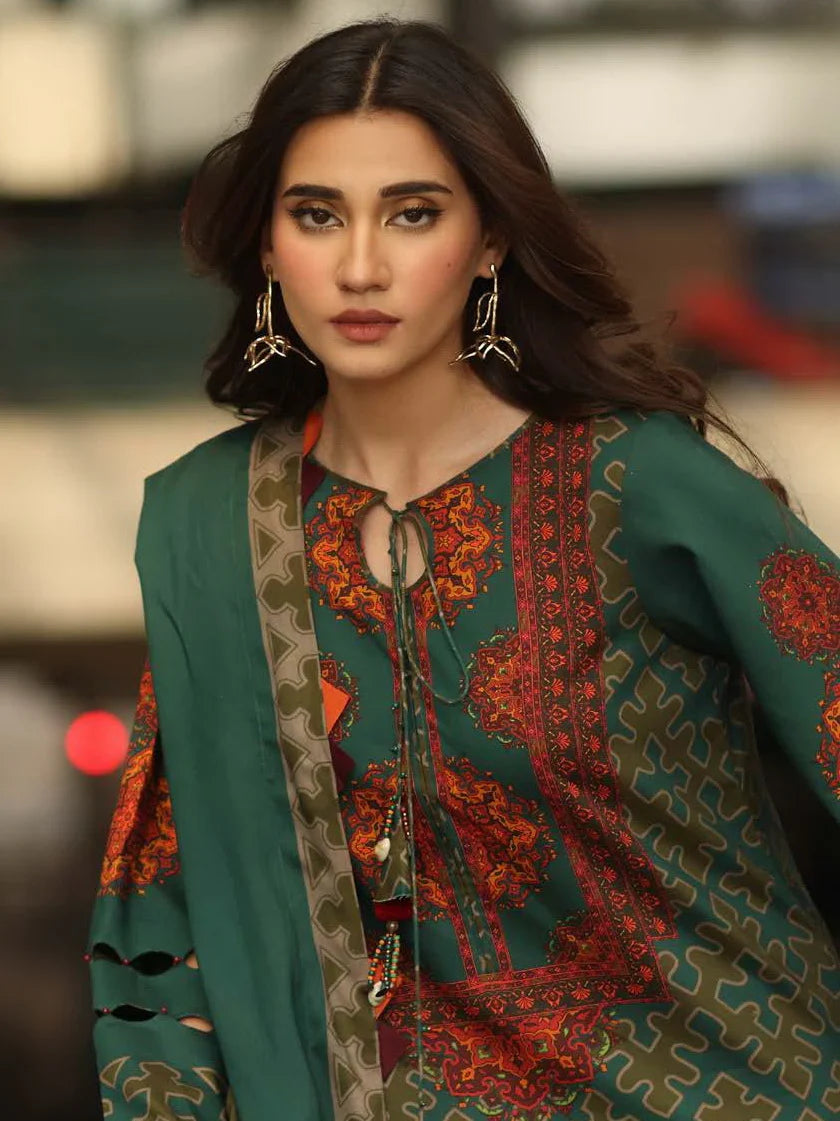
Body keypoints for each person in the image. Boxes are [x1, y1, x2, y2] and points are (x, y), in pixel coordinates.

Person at [86, 18, 840, 1121]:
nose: (359, 264)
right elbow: (163, 917)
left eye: (413, 213)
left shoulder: (637, 481)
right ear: (266, 245)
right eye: (316, 215)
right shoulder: (219, 536)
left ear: (489, 240)